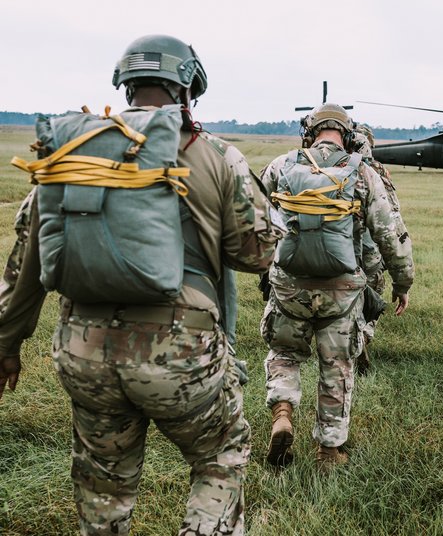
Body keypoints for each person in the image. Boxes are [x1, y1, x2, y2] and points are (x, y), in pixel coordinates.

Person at [0, 34, 284, 536]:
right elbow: (256, 253)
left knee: (103, 481)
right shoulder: (216, 153)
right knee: (220, 453)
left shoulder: (76, 149)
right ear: (190, 85)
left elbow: (28, 256)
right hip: (180, 350)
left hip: (82, 349)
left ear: (125, 85)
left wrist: (6, 343)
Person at [260, 104, 414, 470]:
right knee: (337, 367)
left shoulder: (282, 165)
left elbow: (248, 208)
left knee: (284, 352)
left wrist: (264, 264)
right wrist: (402, 281)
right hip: (342, 292)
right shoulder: (362, 172)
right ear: (347, 135)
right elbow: (389, 234)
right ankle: (329, 451)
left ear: (310, 132)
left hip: (288, 287)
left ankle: (283, 410)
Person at [348, 124, 411, 375]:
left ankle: (350, 339)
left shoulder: (331, 167)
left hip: (340, 251)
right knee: (372, 298)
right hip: (372, 250)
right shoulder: (376, 172)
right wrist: (403, 278)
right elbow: (392, 217)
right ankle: (363, 336)